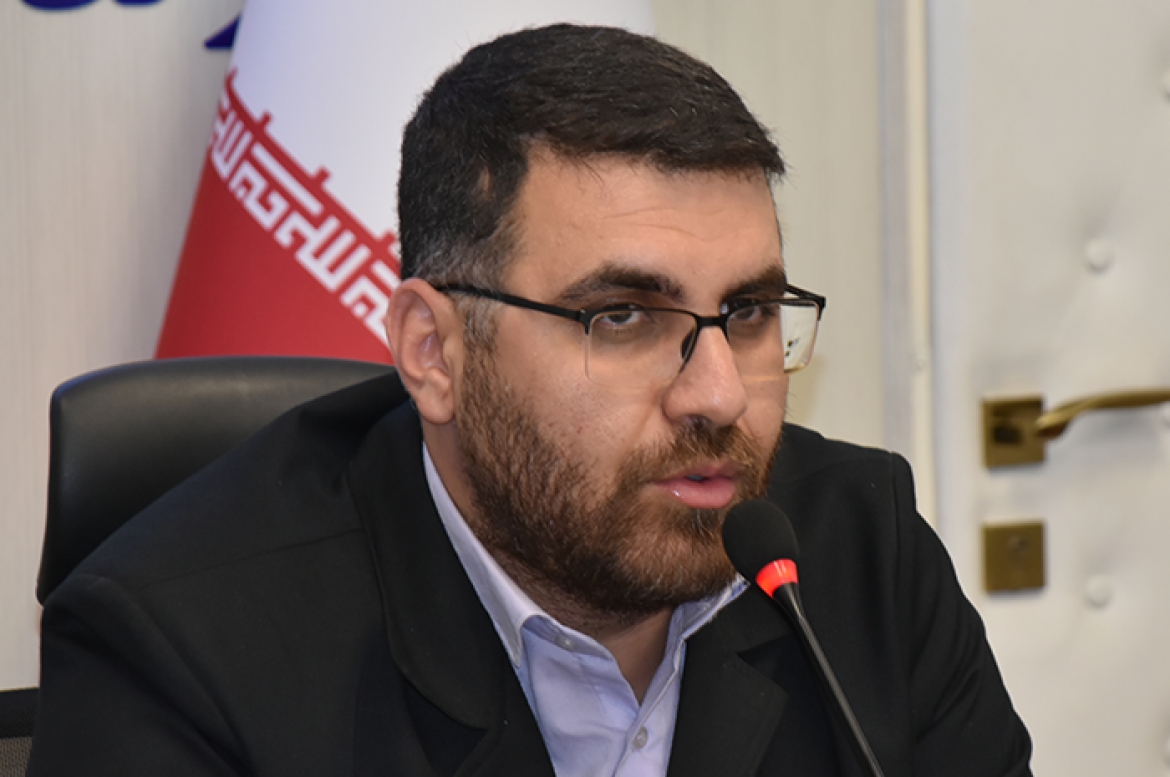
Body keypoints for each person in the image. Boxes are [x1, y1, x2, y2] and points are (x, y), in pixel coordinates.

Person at [29, 24, 1031, 777]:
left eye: (751, 312)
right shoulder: (178, 650)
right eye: (623, 317)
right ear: (433, 351)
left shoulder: (856, 550)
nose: (719, 394)